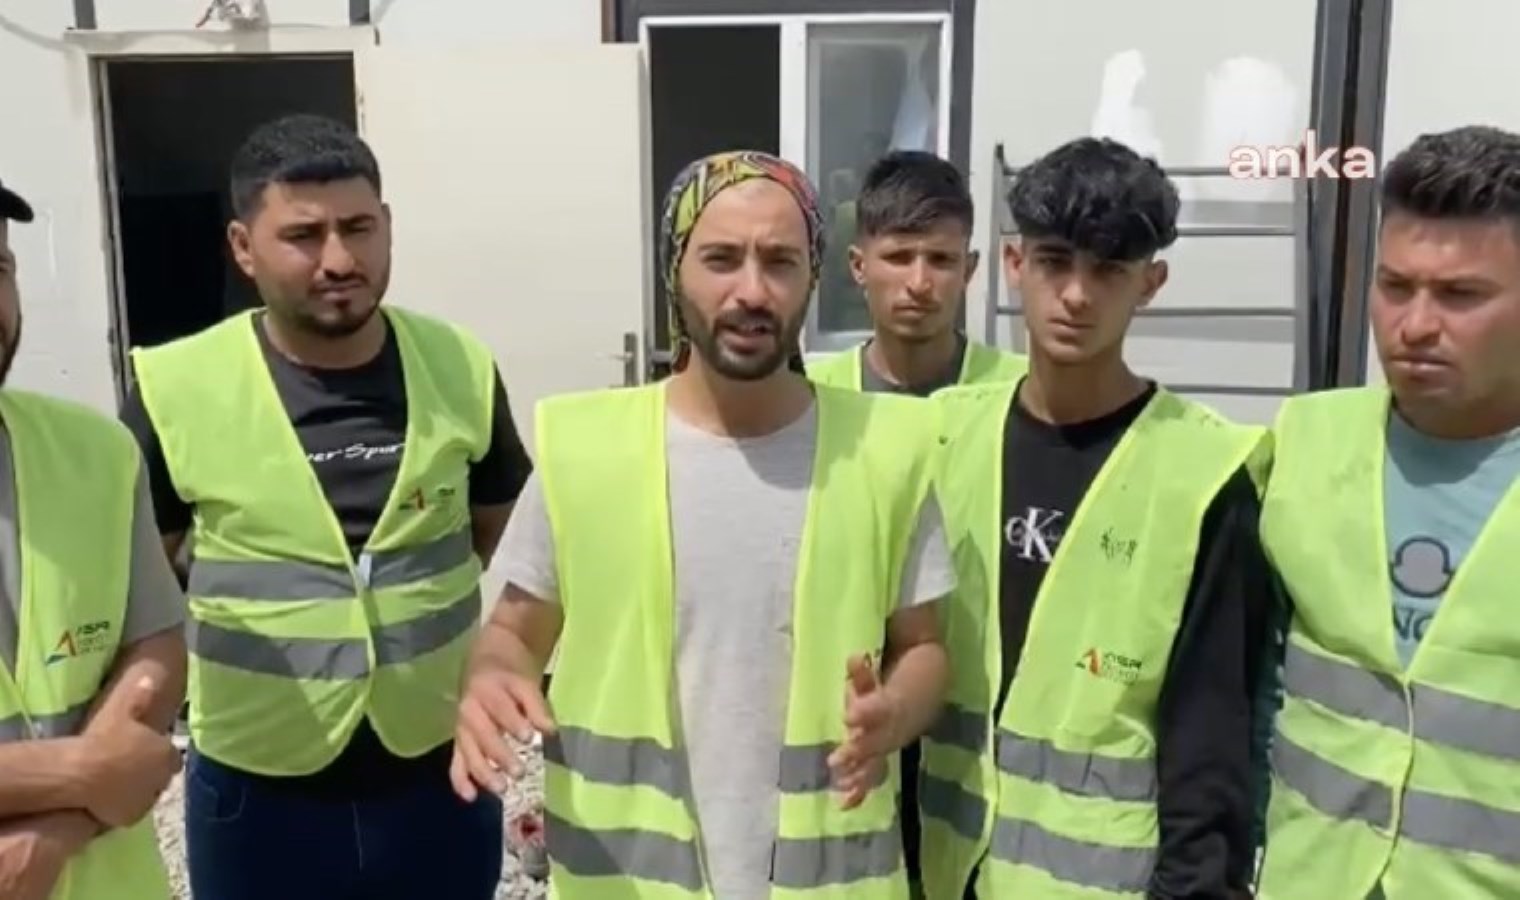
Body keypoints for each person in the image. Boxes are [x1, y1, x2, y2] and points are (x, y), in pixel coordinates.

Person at [451, 149, 956, 900]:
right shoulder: (585, 449)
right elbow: (516, 633)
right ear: (674, 272)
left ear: (813, 278)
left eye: (780, 262)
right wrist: (491, 675)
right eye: (721, 259)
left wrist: (897, 712)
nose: (751, 291)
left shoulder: (888, 449)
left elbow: (923, 646)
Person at [118, 114, 535, 900]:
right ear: (243, 247)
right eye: (304, 236)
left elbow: (503, 542)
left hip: (437, 774)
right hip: (259, 793)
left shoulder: (460, 366)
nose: (339, 259)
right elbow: (139, 593)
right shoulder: (176, 390)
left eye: (358, 228)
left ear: (388, 227)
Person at [915, 137, 1277, 899]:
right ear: (1015, 263)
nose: (1077, 295)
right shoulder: (941, 436)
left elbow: (1211, 741)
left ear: (1151, 283)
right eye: (1055, 262)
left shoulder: (1205, 473)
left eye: (1109, 270)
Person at [1255, 126, 1520, 898]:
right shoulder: (1299, 445)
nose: (1415, 325)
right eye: (1396, 286)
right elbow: (1241, 689)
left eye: (1461, 296)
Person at [0, 178, 185, 899]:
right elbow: (119, 764)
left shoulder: (97, 452)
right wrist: (86, 769)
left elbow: (156, 647)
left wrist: (54, 834)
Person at [806, 150, 1026, 394]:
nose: (919, 283)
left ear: (968, 270)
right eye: (899, 258)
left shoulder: (1022, 392)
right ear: (859, 266)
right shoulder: (811, 394)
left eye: (940, 260)